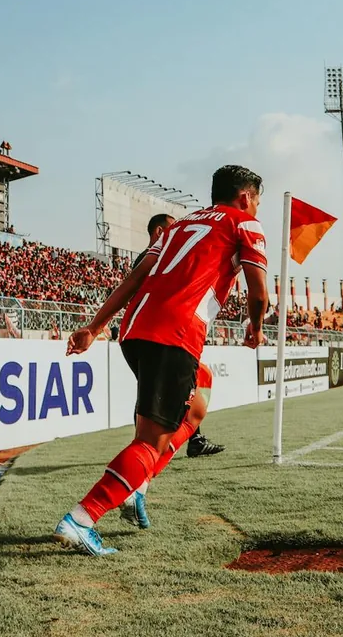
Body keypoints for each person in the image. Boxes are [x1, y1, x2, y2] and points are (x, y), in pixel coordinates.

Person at [55, 165, 270, 556]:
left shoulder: (177, 226)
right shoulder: (244, 224)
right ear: (246, 197)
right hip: (174, 334)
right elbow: (259, 293)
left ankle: (136, 485)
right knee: (149, 443)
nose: (257, 208)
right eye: (257, 200)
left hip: (135, 330)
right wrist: (255, 328)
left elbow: (134, 278)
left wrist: (95, 327)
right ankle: (82, 519)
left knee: (198, 401)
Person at [132, 213, 226, 459]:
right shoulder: (152, 258)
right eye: (172, 229)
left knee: (175, 391)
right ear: (159, 232)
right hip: (160, 336)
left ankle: (183, 441)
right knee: (159, 394)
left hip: (158, 334)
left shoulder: (158, 258)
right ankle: (144, 449)